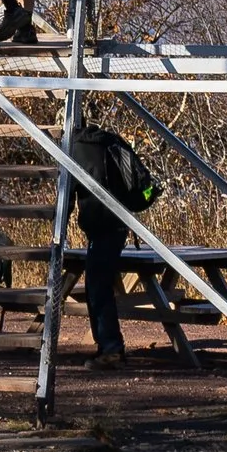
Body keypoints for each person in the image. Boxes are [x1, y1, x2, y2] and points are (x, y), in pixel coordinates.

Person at [68, 121, 160, 363]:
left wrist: (59, 230)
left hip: (100, 226)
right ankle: (107, 346)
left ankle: (110, 348)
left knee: (98, 287)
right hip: (119, 223)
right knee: (98, 284)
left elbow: (67, 195)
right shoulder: (110, 140)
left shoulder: (73, 149)